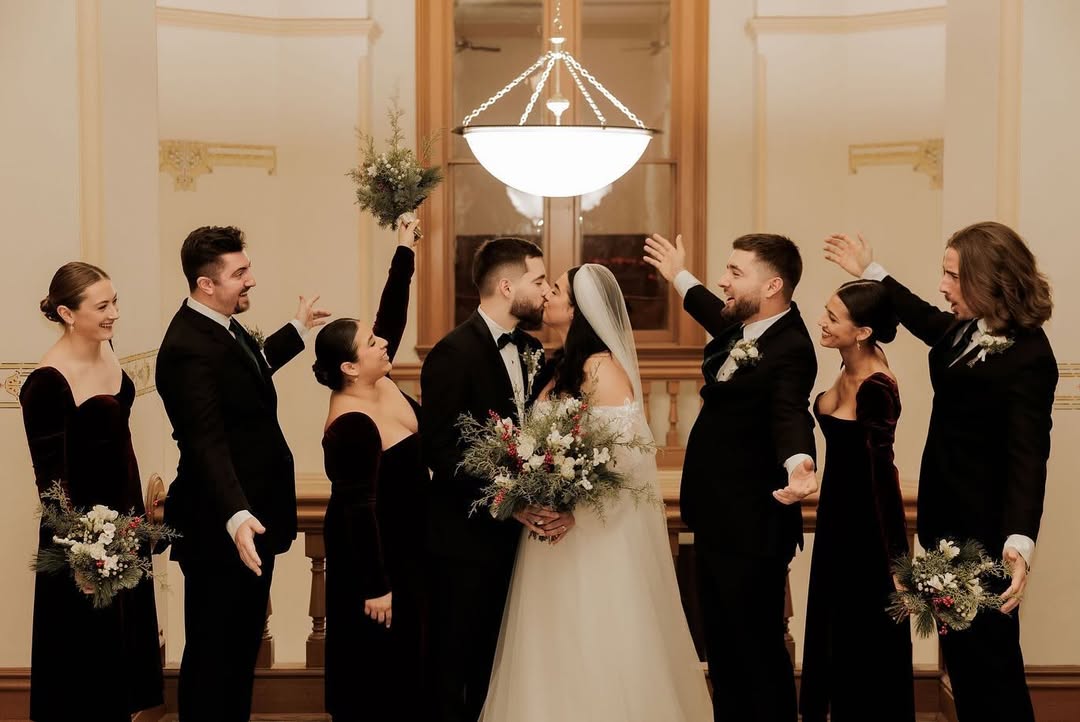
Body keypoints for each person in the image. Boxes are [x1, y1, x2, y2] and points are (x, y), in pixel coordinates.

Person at [825, 223, 1056, 722]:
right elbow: (920, 316)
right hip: (944, 525)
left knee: (992, 668)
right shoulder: (963, 330)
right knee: (966, 665)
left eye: (953, 276)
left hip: (985, 537)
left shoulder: (1030, 356)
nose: (943, 286)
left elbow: (1029, 454)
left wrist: (1020, 541)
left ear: (987, 279)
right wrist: (871, 271)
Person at [479, 264, 714, 721]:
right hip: (548, 539)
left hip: (588, 538)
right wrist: (533, 490)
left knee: (592, 640)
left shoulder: (602, 369)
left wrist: (574, 511)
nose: (547, 295)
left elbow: (624, 461)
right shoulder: (561, 364)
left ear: (577, 309)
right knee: (549, 644)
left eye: (556, 290)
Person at [156, 226, 329, 722]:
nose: (251, 279)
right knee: (216, 652)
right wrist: (235, 515)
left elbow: (248, 370)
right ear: (206, 283)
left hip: (247, 520)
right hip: (220, 528)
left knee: (239, 648)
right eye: (240, 273)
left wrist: (297, 329)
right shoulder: (188, 346)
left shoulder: (219, 326)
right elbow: (204, 440)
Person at [644, 232, 818, 722]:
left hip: (753, 529)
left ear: (772, 285)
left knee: (755, 655)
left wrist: (799, 462)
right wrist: (679, 274)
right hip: (718, 520)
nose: (723, 280)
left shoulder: (792, 347)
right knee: (723, 652)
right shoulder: (744, 327)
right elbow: (711, 311)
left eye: (736, 272)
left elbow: (790, 412)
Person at [420, 236, 573, 722]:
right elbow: (443, 452)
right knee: (454, 665)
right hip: (465, 541)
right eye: (538, 280)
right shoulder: (451, 353)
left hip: (520, 543)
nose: (545, 291)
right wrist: (508, 500)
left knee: (501, 663)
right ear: (507, 286)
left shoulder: (532, 348)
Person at [20, 262, 164, 722]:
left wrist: (133, 525)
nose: (114, 313)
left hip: (124, 521)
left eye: (115, 301)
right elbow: (50, 484)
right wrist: (84, 553)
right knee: (86, 664)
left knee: (123, 659)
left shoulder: (108, 350)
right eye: (102, 306)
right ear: (67, 313)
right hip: (82, 538)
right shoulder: (47, 382)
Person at [314, 220, 426, 722]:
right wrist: (377, 585)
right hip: (375, 559)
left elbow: (391, 315)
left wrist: (403, 249)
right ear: (349, 368)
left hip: (408, 546)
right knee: (376, 676)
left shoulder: (378, 381)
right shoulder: (351, 424)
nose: (383, 343)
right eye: (370, 342)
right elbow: (358, 510)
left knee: (409, 669)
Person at [799, 280, 914, 722]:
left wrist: (898, 563)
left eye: (833, 317)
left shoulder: (876, 385)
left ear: (863, 332)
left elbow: (883, 477)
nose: (822, 322)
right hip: (836, 517)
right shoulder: (847, 364)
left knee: (859, 641)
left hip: (865, 531)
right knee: (832, 630)